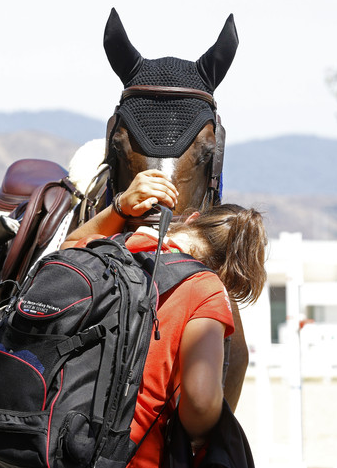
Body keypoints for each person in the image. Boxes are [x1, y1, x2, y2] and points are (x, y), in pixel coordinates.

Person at [61, 169, 267, 468]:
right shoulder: (206, 288)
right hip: (129, 457)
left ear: (193, 219)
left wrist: (118, 208)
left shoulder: (111, 247)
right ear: (228, 273)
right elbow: (199, 401)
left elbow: (67, 248)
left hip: (57, 439)